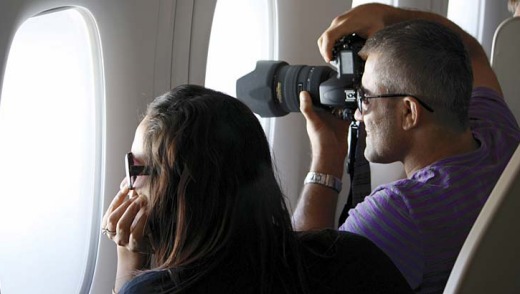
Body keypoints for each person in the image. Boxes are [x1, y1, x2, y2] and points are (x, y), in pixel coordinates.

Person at [292, 3, 520, 293]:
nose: (358, 113)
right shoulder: (500, 131)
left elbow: (300, 279)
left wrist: (327, 156)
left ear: (409, 113)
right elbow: (472, 52)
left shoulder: (398, 213)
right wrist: (388, 16)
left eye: (366, 97)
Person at [101, 84, 413, 293]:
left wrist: (130, 266)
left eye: (133, 167)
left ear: (180, 189)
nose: (124, 186)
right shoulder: (350, 255)